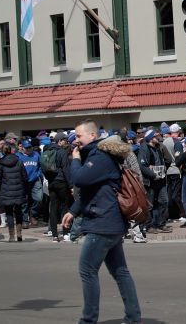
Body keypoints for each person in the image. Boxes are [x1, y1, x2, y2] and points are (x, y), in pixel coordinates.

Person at [62, 120, 142, 324]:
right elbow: (92, 190)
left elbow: (79, 179)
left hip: (102, 222)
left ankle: (88, 320)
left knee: (87, 271)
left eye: (79, 136)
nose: (75, 140)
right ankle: (133, 318)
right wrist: (73, 211)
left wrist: (76, 159)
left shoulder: (99, 157)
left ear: (92, 135)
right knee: (120, 272)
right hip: (110, 221)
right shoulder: (99, 156)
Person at [0, 142, 28, 242]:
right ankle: (19, 234)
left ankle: (12, 236)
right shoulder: (19, 161)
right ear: (11, 150)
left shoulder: (0, 163)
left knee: (9, 213)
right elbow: (25, 177)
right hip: (18, 190)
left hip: (6, 191)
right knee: (19, 211)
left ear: (2, 151)